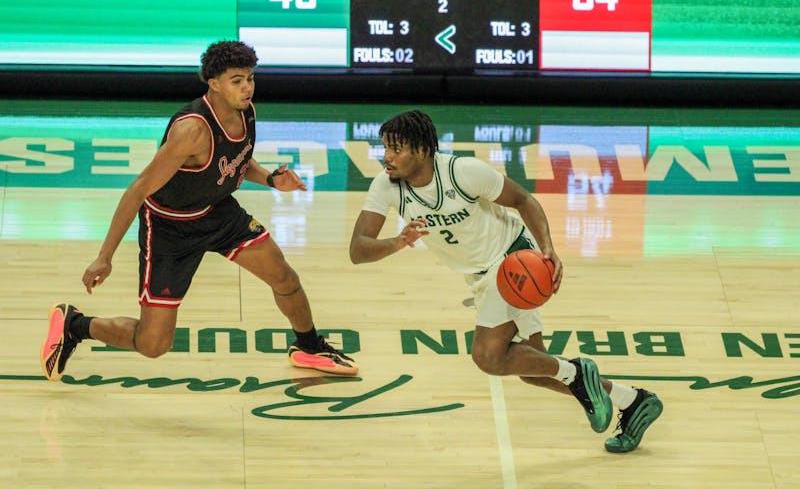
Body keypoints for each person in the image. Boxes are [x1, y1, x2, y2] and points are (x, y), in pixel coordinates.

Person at [348, 110, 662, 453]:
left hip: (513, 262)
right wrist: (397, 241)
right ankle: (632, 400)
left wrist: (548, 249)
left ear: (422, 150)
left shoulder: (462, 172)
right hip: (479, 276)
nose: (386, 157)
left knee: (488, 357)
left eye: (396, 149)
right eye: (385, 148)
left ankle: (578, 372)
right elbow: (358, 250)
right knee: (534, 368)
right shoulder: (386, 185)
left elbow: (523, 199)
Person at [41, 40, 356, 380]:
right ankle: (75, 325)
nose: (247, 86)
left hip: (217, 212)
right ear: (214, 84)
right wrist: (104, 256)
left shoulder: (246, 110)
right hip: (170, 229)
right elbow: (136, 192)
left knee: (284, 276)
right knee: (153, 343)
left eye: (250, 77)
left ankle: (309, 346)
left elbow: (235, 161)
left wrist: (271, 179)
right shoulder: (191, 131)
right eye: (237, 80)